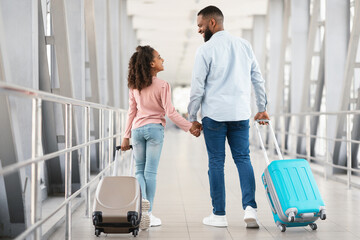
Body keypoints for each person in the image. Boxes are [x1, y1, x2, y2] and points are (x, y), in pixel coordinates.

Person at [187, 6, 270, 228]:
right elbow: (258, 79)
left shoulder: (205, 51)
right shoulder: (244, 45)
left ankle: (219, 214)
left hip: (214, 115)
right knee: (243, 159)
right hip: (240, 114)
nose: (199, 30)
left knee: (216, 162)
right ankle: (250, 208)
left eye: (201, 26)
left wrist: (192, 117)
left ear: (212, 23)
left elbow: (197, 88)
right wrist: (261, 107)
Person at [121, 45, 202, 228]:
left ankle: (141, 207)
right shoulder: (163, 85)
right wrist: (190, 127)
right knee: (151, 172)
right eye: (159, 57)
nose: (162, 60)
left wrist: (125, 136)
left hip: (136, 130)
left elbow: (131, 111)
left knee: (139, 171)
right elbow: (171, 113)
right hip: (154, 130)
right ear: (151, 64)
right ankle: (148, 213)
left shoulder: (134, 86)